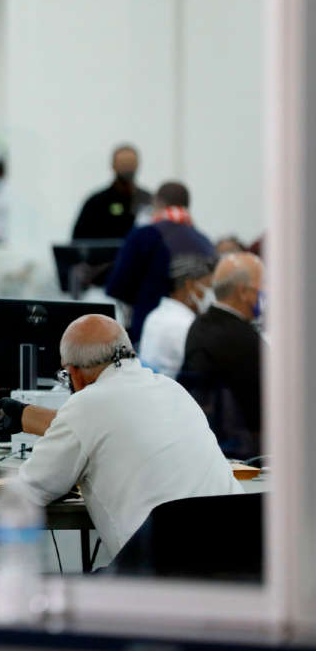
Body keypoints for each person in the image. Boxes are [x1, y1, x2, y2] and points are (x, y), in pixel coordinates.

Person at [0, 315, 240, 561]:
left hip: (161, 568)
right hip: (237, 556)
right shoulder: (173, 389)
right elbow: (115, 423)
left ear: (74, 374)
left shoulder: (85, 405)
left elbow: (30, 489)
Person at [105, 181, 215, 344]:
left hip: (150, 333)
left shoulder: (144, 235)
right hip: (194, 335)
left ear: (157, 202)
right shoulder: (205, 242)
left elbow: (117, 286)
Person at [179, 253, 265, 458]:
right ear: (244, 292)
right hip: (248, 453)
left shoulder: (198, 326)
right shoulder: (247, 342)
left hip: (207, 444)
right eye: (263, 287)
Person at [138, 255, 215, 378]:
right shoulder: (185, 325)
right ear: (190, 285)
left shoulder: (156, 314)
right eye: (208, 286)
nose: (211, 294)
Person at [71, 145, 152, 240]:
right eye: (123, 164)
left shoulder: (148, 200)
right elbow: (79, 241)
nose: (127, 168)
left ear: (137, 165)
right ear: (113, 165)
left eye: (130, 164)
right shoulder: (96, 203)